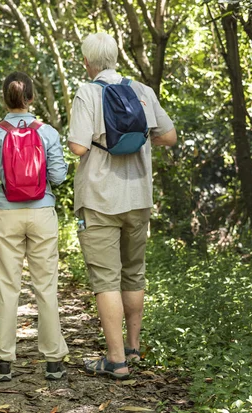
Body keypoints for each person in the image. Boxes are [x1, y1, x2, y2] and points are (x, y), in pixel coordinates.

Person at [67, 33, 177, 380]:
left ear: (88, 62)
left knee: (106, 280)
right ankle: (132, 347)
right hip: (138, 197)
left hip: (100, 198)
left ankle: (116, 361)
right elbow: (169, 135)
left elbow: (78, 148)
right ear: (115, 57)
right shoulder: (143, 91)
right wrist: (141, 140)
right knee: (133, 273)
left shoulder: (87, 92)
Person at [0, 71, 70, 382]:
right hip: (42, 212)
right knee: (46, 287)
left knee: (8, 286)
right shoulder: (48, 133)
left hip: (8, 214)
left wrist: (7, 173)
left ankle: (4, 360)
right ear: (31, 98)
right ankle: (54, 360)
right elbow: (57, 178)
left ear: (5, 98)